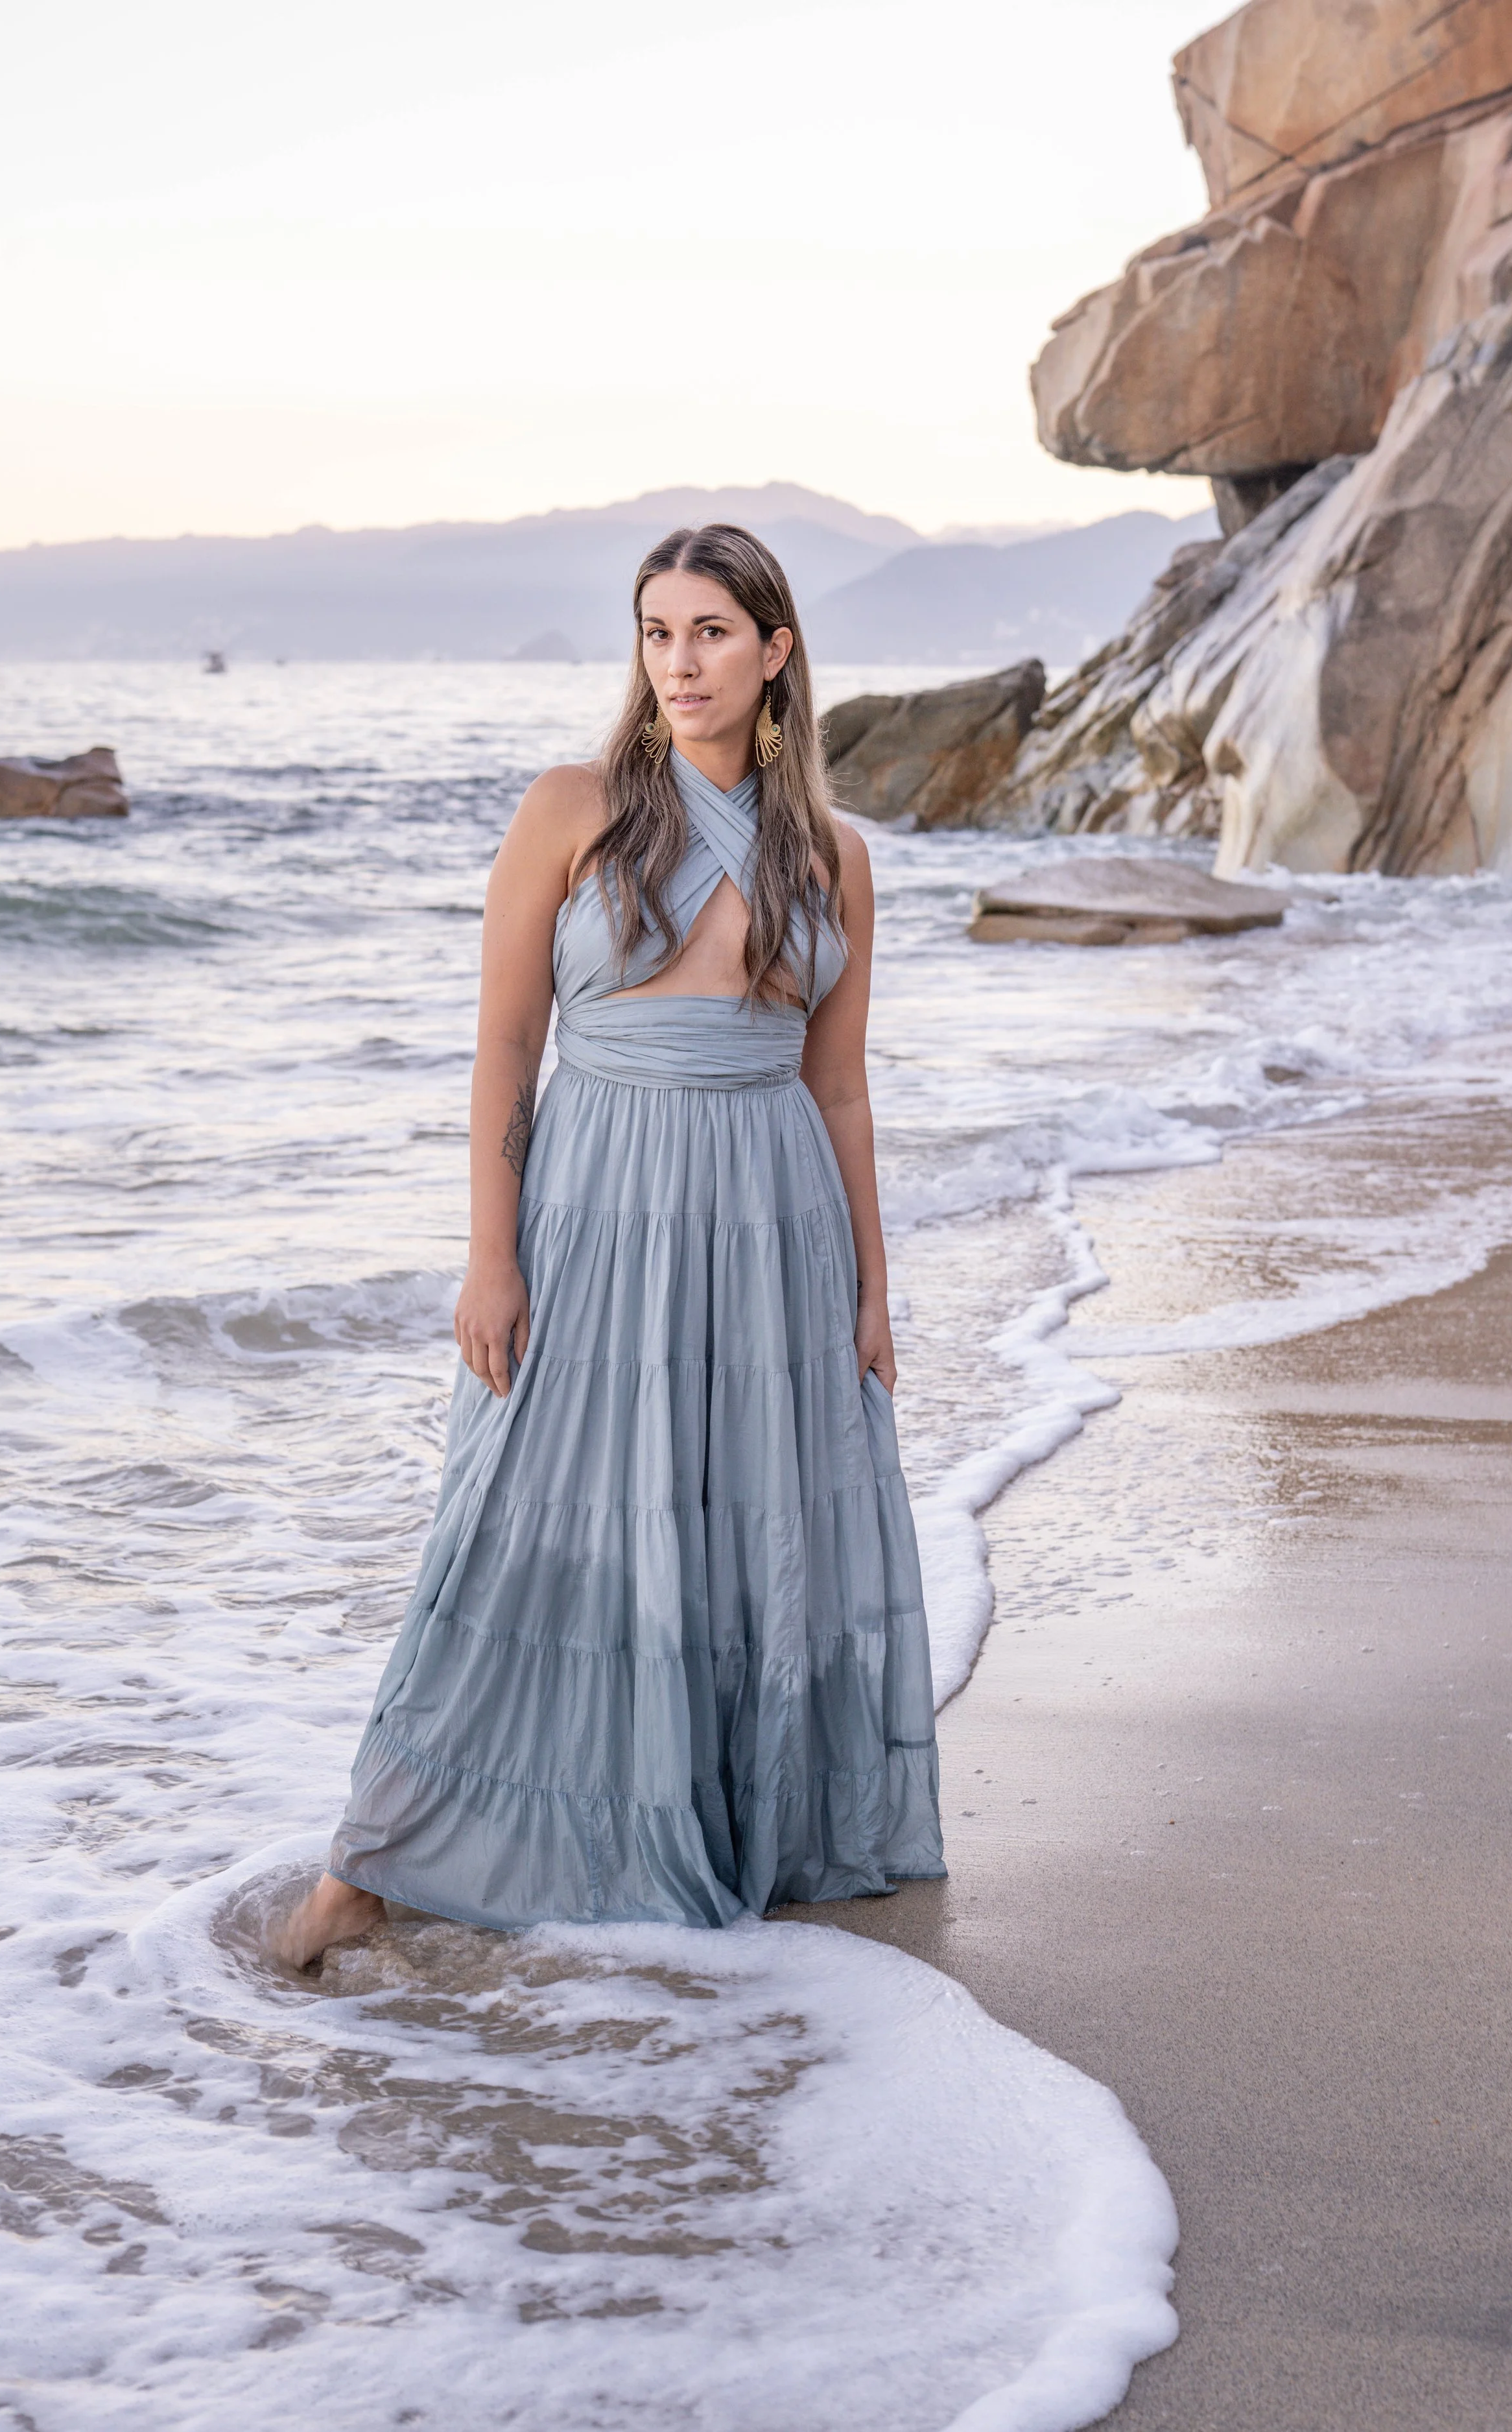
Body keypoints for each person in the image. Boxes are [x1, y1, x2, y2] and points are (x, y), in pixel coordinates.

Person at [273, 523, 944, 1967]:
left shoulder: (832, 854)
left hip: (772, 1218)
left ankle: (705, 1835)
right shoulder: (573, 808)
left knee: (738, 1528)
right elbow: (508, 1044)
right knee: (520, 1526)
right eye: (655, 632)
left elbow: (837, 1083)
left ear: (774, 652)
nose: (679, 661)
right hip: (593, 1203)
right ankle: (374, 1861)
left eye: (709, 631)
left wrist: (873, 1291)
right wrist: (489, 1254)